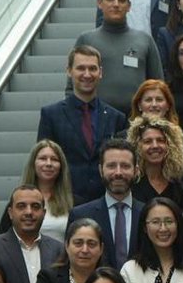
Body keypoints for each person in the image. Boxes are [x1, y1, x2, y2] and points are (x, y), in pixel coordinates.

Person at [37, 45, 127, 204]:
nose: (87, 74)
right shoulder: (51, 115)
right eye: (81, 68)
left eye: (92, 68)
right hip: (64, 202)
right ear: (69, 71)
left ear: (100, 72)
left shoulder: (116, 117)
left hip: (106, 201)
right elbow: (43, 161)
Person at [78, 0, 163, 114]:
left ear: (129, 6)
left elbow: (158, 85)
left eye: (121, 0)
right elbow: (73, 84)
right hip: (95, 117)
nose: (116, 4)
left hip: (136, 119)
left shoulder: (145, 40)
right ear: (99, 3)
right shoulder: (86, 39)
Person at [65, 137, 144, 270]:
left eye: (125, 166)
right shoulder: (80, 215)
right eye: (111, 166)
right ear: (101, 170)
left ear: (136, 171)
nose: (118, 172)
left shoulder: (148, 214)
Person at [1, 140, 73, 243]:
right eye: (43, 158)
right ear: (33, 164)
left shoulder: (74, 202)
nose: (49, 163)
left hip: (61, 258)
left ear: (61, 166)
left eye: (54, 159)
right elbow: (3, 240)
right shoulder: (17, 202)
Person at [128, 115, 183, 210]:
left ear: (170, 145)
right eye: (148, 141)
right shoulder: (131, 183)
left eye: (160, 140)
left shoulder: (178, 185)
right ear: (137, 146)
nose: (155, 146)